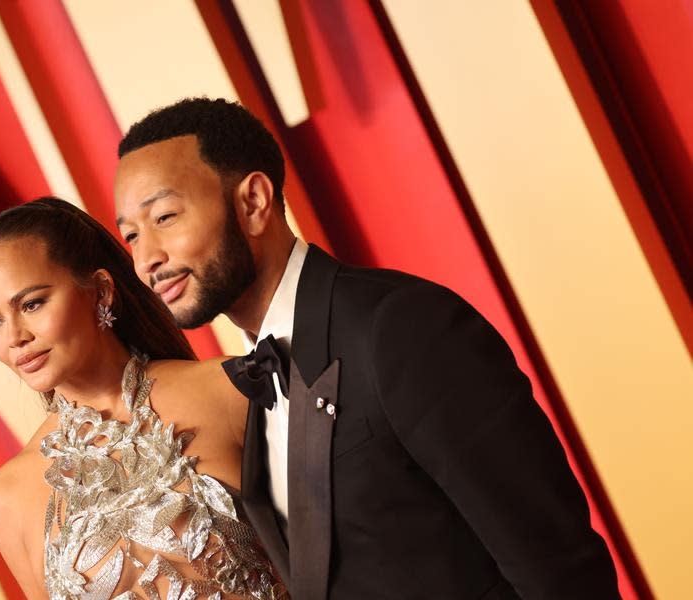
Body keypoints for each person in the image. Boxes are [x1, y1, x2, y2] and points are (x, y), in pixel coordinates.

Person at [113, 98, 621, 599]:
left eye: (164, 218)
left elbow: (558, 565)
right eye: (132, 236)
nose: (147, 260)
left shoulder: (402, 326)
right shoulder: (244, 389)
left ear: (253, 202)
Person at [0, 197, 287, 599]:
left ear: (101, 291)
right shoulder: (10, 496)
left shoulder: (228, 390)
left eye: (32, 304)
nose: (15, 337)